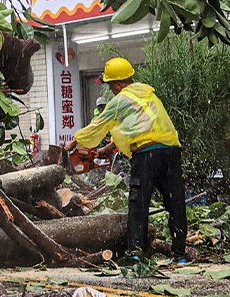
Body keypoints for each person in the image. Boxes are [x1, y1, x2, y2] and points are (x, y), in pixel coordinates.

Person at [64, 57, 187, 263]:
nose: (111, 89)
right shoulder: (148, 96)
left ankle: (136, 252)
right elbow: (142, 127)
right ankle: (180, 254)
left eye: (111, 85)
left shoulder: (121, 100)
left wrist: (72, 144)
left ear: (120, 83)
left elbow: (98, 125)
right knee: (175, 202)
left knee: (139, 202)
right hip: (171, 151)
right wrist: (109, 148)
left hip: (146, 154)